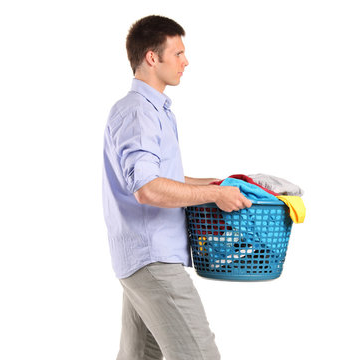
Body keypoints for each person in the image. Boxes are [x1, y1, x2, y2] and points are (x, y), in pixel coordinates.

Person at [102, 15, 252, 360]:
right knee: (199, 354)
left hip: (142, 259)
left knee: (140, 356)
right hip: (153, 259)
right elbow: (148, 189)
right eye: (179, 53)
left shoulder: (150, 110)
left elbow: (163, 177)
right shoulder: (139, 112)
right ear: (152, 58)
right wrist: (215, 195)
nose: (186, 62)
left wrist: (218, 183)